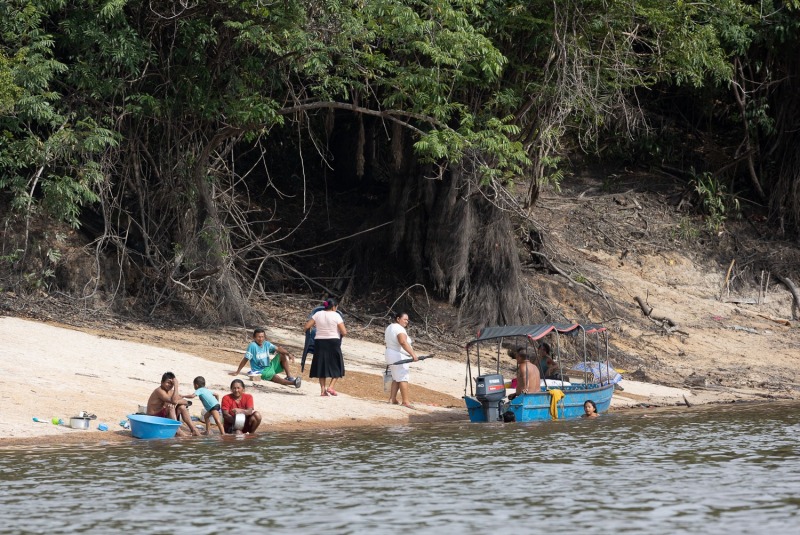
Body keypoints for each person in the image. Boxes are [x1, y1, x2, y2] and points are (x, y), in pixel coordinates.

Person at [230, 328, 302, 389]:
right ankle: (293, 383)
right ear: (254, 337)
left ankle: (289, 376)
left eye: (262, 337)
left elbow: (278, 349)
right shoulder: (252, 346)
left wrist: (288, 353)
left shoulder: (266, 344)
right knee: (275, 377)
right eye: (258, 337)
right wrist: (237, 371)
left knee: (282, 355)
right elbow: (245, 359)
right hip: (261, 371)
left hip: (269, 366)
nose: (261, 339)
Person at [303, 298, 347, 396]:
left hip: (319, 342)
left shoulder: (318, 314)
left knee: (321, 365)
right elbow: (344, 332)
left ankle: (323, 391)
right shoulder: (336, 315)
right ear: (334, 307)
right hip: (333, 342)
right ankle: (331, 387)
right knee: (338, 365)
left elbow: (306, 326)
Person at [145, 372, 200, 436]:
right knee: (171, 406)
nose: (170, 385)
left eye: (172, 384)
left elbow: (186, 402)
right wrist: (176, 386)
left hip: (164, 416)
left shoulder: (171, 392)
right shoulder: (159, 391)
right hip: (154, 417)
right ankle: (177, 430)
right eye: (168, 383)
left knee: (181, 407)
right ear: (161, 382)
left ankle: (194, 429)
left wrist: (176, 401)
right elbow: (174, 401)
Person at [384, 311, 420, 408]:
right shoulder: (399, 328)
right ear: (398, 319)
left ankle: (393, 398)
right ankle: (405, 401)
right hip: (398, 355)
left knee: (396, 378)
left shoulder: (390, 327)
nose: (406, 321)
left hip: (390, 353)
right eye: (405, 319)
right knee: (403, 377)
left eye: (407, 320)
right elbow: (403, 342)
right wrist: (413, 355)